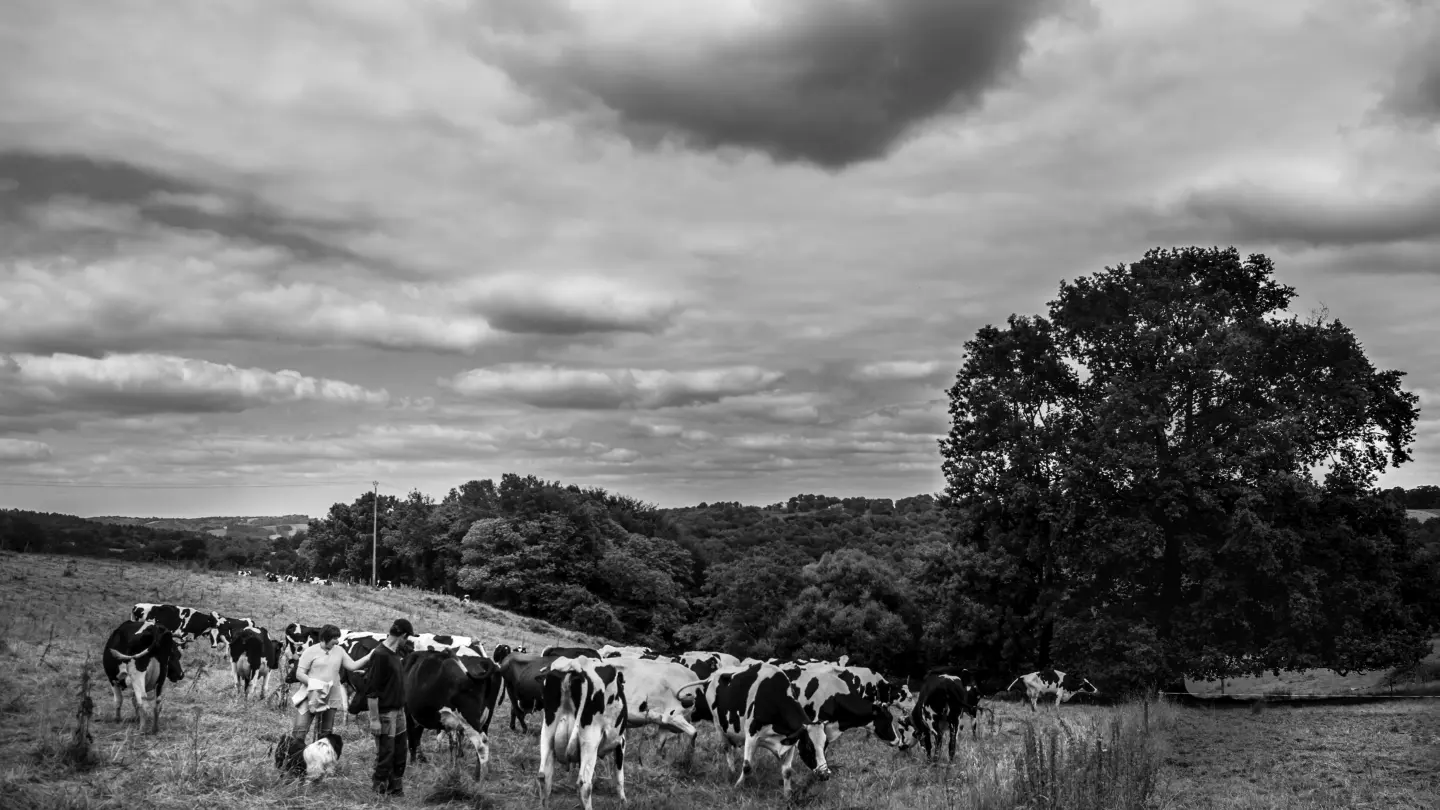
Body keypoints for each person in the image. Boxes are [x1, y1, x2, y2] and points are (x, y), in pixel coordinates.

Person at [280, 625, 373, 774]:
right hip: (310, 697)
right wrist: (315, 685)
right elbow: (299, 674)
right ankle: (294, 766)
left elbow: (352, 665)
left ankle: (318, 768)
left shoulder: (339, 651)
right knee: (299, 731)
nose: (337, 641)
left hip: (330, 699)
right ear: (324, 638)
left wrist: (370, 656)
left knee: (325, 734)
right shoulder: (311, 651)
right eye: (334, 639)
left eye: (337, 638)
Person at [367, 618, 415, 796]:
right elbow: (372, 690)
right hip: (386, 713)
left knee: (400, 751)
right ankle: (378, 791)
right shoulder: (380, 655)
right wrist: (374, 719)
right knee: (386, 753)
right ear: (403, 635)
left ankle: (396, 789)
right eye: (407, 637)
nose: (407, 641)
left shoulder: (395, 653)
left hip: (399, 711)